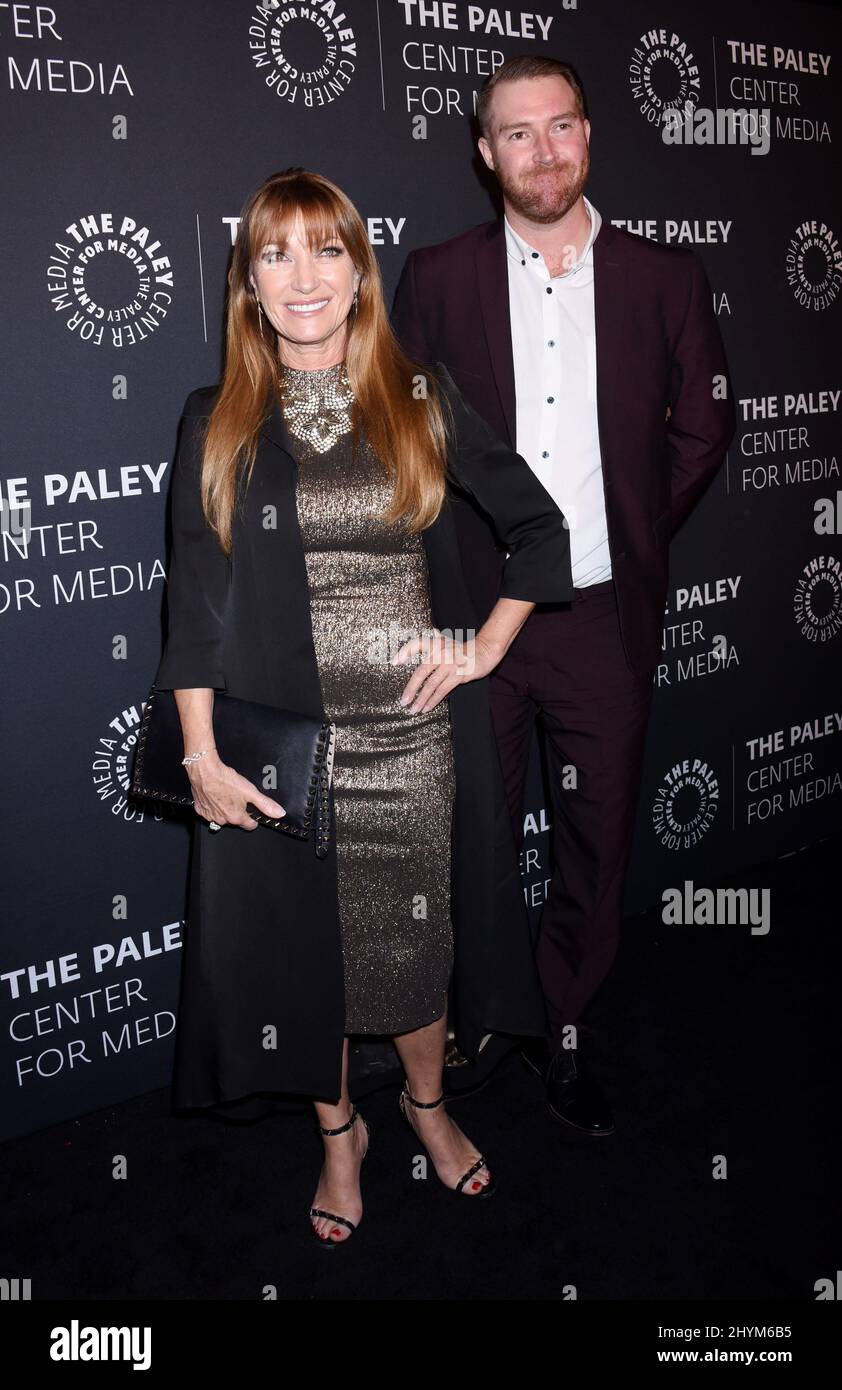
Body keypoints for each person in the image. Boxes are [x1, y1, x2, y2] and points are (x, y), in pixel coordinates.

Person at [150, 168, 576, 1245]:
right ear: (247, 282)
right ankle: (339, 1134)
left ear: (358, 270)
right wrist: (200, 754)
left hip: (410, 741)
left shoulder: (418, 394)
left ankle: (427, 1108)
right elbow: (194, 609)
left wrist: (481, 647)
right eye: (275, 254)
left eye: (326, 250)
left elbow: (538, 528)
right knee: (311, 962)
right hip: (284, 755)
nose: (303, 276)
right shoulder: (218, 416)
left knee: (411, 949)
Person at [392, 56, 737, 1136]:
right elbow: (405, 437)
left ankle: (565, 1022)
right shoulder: (435, 277)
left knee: (595, 840)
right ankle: (482, 1020)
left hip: (598, 618)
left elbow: (702, 427)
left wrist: (625, 534)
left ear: (586, 135)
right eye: (516, 134)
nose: (542, 153)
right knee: (472, 837)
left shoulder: (663, 278)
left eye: (560, 129)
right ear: (483, 151)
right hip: (471, 626)